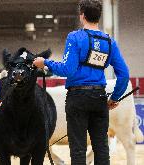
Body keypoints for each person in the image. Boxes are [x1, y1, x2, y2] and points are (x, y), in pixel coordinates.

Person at [33, 0, 129, 164]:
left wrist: (45, 63)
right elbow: (124, 74)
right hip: (99, 97)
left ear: (82, 16)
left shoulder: (75, 37)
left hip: (78, 97)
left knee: (78, 148)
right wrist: (115, 97)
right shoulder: (109, 41)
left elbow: (67, 69)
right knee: (101, 147)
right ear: (98, 17)